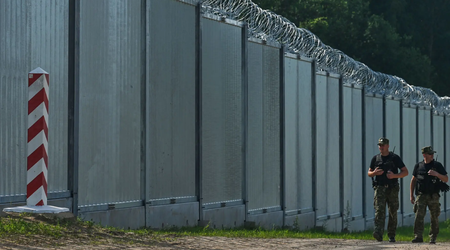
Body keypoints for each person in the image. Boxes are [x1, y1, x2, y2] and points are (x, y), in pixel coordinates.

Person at [368, 137, 408, 242]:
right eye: (380, 145)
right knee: (379, 210)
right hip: (380, 188)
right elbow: (369, 173)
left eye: (383, 145)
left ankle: (391, 234)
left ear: (388, 146)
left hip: (392, 188)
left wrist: (394, 176)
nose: (381, 147)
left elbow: (405, 172)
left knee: (392, 211)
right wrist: (374, 173)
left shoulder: (394, 158)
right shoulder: (375, 159)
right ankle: (378, 233)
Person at [410, 146, 448, 244]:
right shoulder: (418, 166)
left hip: (433, 196)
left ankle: (433, 237)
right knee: (418, 216)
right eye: (430, 154)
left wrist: (437, 174)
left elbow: (446, 179)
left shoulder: (437, 165)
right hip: (421, 195)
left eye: (432, 154)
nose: (432, 155)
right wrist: (411, 195)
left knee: (434, 217)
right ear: (424, 155)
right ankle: (418, 236)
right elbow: (413, 180)